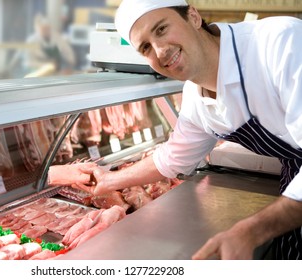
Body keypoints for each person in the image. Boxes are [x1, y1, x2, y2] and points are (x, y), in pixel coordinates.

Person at [73, 0, 302, 260]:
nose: (159, 52)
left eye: (161, 29)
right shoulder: (194, 96)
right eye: (146, 47)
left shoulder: (280, 43)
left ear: (193, 16)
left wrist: (250, 231)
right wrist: (108, 180)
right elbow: (173, 158)